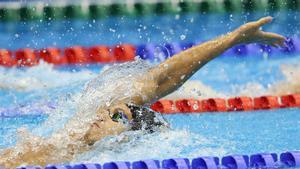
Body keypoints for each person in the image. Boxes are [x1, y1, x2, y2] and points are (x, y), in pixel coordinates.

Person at [0, 16, 285, 168]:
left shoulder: (98, 158)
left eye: (116, 117)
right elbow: (160, 80)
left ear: (125, 139)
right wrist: (232, 39)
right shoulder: (70, 136)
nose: (103, 114)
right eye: (112, 111)